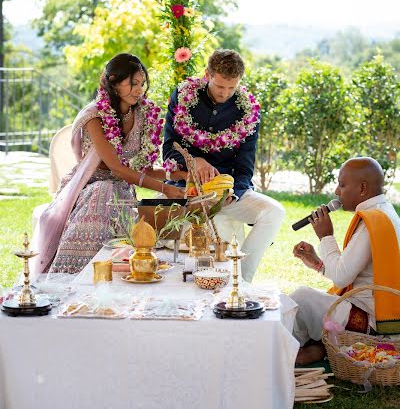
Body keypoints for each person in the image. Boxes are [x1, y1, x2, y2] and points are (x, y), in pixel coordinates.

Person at [31, 53, 185, 275]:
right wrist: (164, 189)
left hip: (121, 191)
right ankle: (75, 276)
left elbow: (143, 168)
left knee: (117, 195)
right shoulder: (95, 115)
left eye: (142, 84)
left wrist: (177, 177)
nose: (139, 89)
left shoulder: (143, 114)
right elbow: (116, 167)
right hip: (89, 190)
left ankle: (125, 274)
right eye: (132, 83)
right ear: (113, 81)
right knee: (103, 192)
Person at [163, 49, 285, 282]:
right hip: (187, 192)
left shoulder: (247, 109)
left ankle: (242, 281)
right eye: (220, 87)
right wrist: (193, 161)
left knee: (274, 212)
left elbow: (245, 166)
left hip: (226, 196)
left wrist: (234, 194)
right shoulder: (183, 96)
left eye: (232, 88)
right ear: (207, 74)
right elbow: (168, 149)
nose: (225, 93)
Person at [291, 157, 400, 365]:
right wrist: (317, 263)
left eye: (342, 185)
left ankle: (287, 349)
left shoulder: (373, 221)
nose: (336, 192)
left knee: (301, 298)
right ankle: (316, 349)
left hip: (371, 324)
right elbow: (350, 271)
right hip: (374, 314)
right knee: (307, 298)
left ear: (362, 188)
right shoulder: (383, 212)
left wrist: (326, 236)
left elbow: (342, 278)